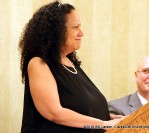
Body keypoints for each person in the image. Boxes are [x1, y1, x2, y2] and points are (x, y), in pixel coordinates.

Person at [19, 1, 124, 133]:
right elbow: (54, 112)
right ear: (56, 32)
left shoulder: (71, 64)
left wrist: (109, 118)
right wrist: (103, 123)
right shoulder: (39, 64)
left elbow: (81, 107)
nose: (81, 33)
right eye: (75, 27)